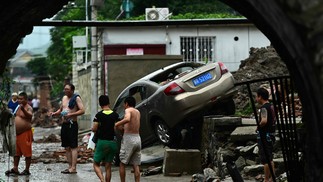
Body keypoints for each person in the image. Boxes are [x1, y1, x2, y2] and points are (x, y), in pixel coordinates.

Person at [50, 83, 85, 174]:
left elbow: (82, 110)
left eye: (67, 89)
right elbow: (61, 109)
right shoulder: (64, 98)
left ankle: (74, 168)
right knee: (67, 146)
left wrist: (71, 114)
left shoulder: (76, 98)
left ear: (72, 90)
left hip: (72, 124)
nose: (65, 91)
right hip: (64, 124)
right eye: (65, 89)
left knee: (73, 146)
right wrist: (55, 113)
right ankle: (69, 167)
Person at [92, 95, 119, 182]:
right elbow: (119, 128)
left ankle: (102, 180)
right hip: (113, 143)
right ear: (109, 103)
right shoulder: (115, 115)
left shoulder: (98, 115)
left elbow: (95, 128)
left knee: (96, 164)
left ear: (100, 104)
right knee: (108, 166)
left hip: (102, 143)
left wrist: (94, 129)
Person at [5, 92, 33, 176]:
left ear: (26, 99)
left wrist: (23, 110)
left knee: (27, 152)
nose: (20, 100)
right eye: (19, 99)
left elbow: (30, 116)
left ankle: (27, 169)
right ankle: (15, 168)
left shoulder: (28, 108)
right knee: (16, 152)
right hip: (16, 133)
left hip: (25, 132)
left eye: (22, 99)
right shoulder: (17, 107)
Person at [115, 96, 141, 182]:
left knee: (122, 163)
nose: (124, 106)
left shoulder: (128, 110)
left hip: (129, 139)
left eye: (124, 104)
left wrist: (117, 124)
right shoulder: (137, 112)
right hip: (137, 138)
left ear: (127, 104)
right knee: (136, 165)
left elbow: (127, 119)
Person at [255, 87, 276, 182]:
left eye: (256, 96)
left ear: (260, 97)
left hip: (265, 136)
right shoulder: (270, 106)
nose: (256, 98)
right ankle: (272, 178)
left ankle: (266, 179)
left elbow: (264, 121)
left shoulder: (264, 108)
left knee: (266, 159)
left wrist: (258, 127)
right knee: (270, 157)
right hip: (271, 135)